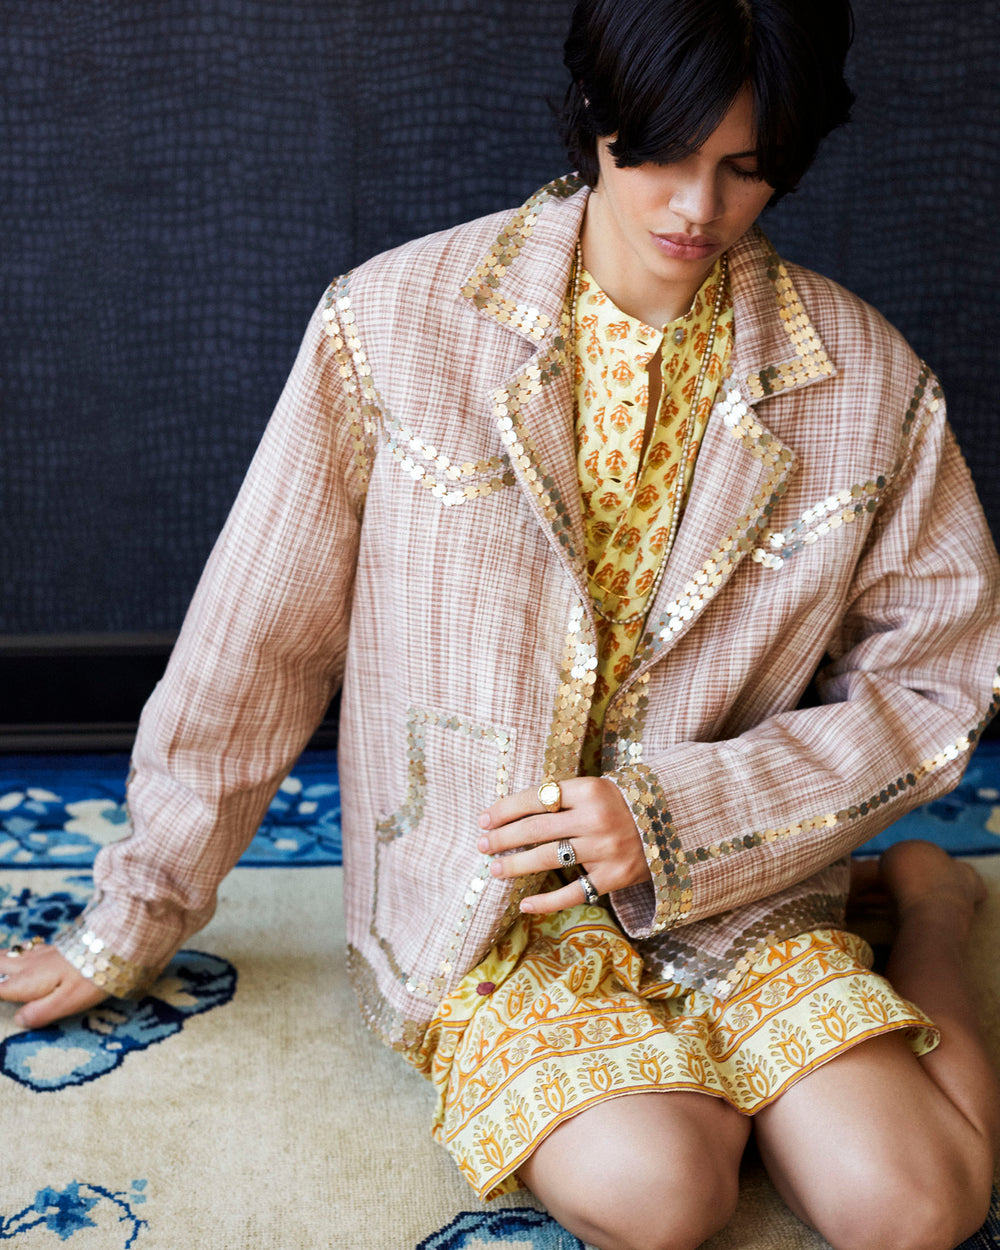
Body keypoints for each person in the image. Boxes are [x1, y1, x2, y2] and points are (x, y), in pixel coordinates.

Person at [3, 1, 999, 1246]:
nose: (698, 205)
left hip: (740, 878)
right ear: (597, 118)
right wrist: (133, 914)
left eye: (745, 167)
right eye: (666, 153)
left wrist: (682, 818)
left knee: (914, 1206)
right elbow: (255, 643)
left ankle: (930, 905)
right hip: (488, 910)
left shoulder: (869, 380)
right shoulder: (392, 324)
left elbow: (939, 681)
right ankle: (716, 1075)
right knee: (665, 1190)